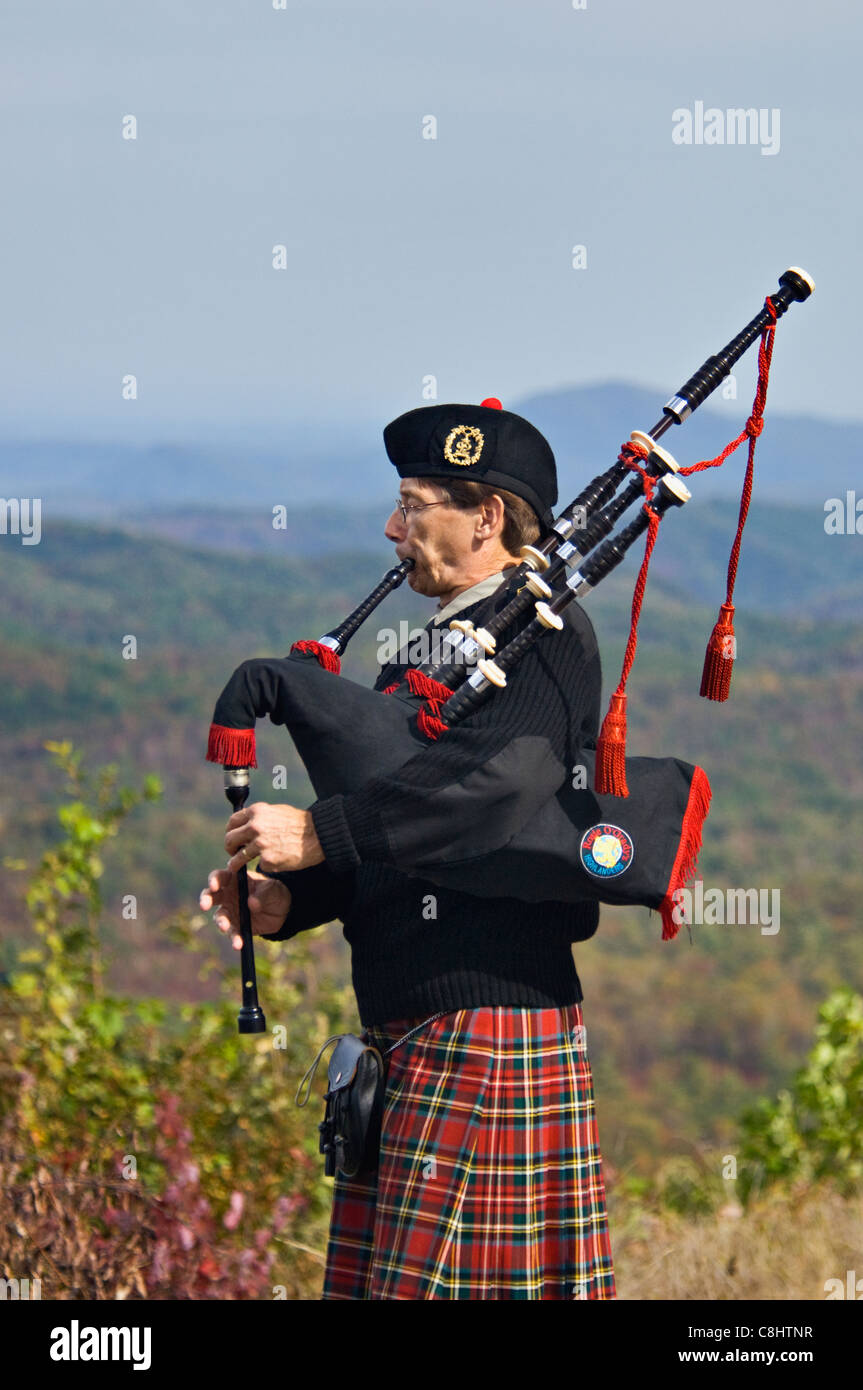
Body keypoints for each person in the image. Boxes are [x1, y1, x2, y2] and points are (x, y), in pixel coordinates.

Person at [199, 399, 616, 1300]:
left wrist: (318, 833)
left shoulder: (542, 640)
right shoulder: (434, 650)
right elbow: (404, 822)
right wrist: (293, 902)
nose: (392, 528)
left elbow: (489, 798)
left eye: (413, 504)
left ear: (486, 518)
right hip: (417, 1025)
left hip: (487, 1025)